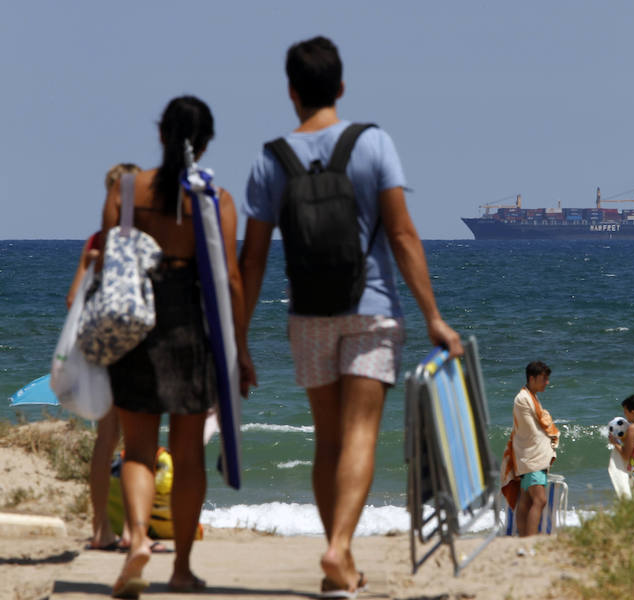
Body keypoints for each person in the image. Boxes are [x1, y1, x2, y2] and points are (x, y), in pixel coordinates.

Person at [238, 36, 461, 597]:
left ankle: (340, 560)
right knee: (361, 432)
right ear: (341, 86)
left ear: (291, 92)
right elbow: (403, 234)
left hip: (308, 314)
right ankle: (339, 549)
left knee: (328, 439)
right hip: (372, 308)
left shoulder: (270, 159)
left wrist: (239, 340)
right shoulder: (373, 143)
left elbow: (253, 259)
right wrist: (433, 316)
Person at [101, 96, 246, 598]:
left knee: (138, 449)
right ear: (204, 144)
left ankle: (138, 539)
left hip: (135, 325)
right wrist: (240, 350)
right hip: (191, 329)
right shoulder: (215, 199)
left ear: (161, 133)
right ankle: (181, 569)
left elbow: (111, 265)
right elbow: (230, 279)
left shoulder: (126, 190)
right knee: (187, 457)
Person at [69, 164, 141, 553]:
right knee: (138, 441)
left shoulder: (96, 241)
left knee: (106, 439)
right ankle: (134, 530)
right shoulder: (143, 239)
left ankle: (101, 529)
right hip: (137, 345)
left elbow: (72, 300)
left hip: (102, 347)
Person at [500, 361, 560, 537]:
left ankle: (524, 538)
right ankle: (530, 539)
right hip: (532, 458)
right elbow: (532, 431)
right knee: (540, 500)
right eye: (544, 378)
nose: (547, 382)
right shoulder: (523, 399)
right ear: (532, 378)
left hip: (528, 458)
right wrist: (549, 427)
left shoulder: (530, 397)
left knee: (526, 501)